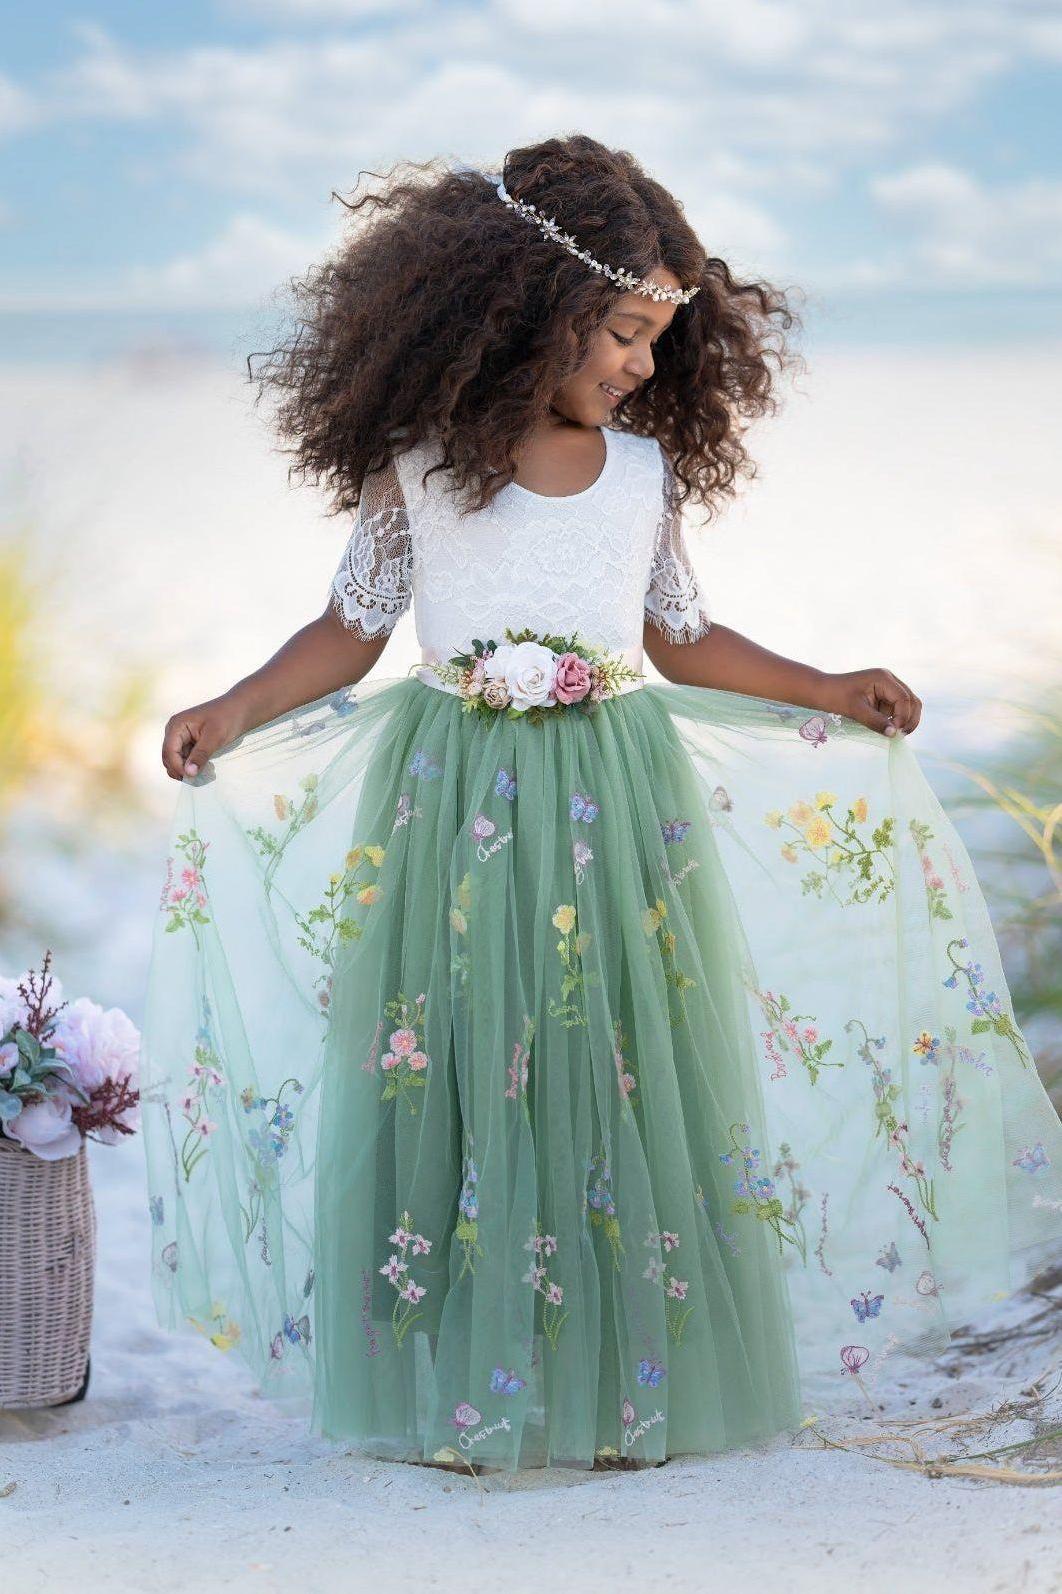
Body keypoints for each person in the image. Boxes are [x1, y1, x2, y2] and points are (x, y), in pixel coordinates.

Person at [141, 134, 1062, 1476]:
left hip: (617, 804)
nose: (640, 363)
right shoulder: (421, 466)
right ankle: (470, 1379)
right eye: (625, 332)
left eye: (654, 339)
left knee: (620, 1067)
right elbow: (348, 630)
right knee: (464, 1062)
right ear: (531, 311)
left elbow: (682, 638)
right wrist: (234, 705)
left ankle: (626, 1380)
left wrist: (824, 681)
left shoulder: (641, 477)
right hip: (454, 802)